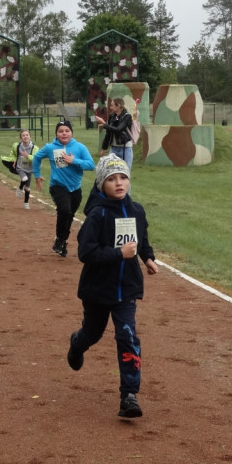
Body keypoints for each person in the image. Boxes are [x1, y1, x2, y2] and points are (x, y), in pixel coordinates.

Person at [67, 155, 159, 418]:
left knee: (127, 335)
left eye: (123, 177)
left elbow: (141, 241)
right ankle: (77, 344)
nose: (119, 183)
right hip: (98, 289)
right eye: (111, 179)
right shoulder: (97, 215)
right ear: (101, 184)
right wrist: (119, 254)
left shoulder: (137, 210)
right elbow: (86, 252)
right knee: (93, 333)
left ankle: (129, 395)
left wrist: (148, 258)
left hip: (126, 289)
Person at [33, 120, 95, 257]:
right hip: (58, 186)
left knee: (70, 215)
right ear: (56, 133)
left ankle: (62, 241)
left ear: (71, 132)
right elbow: (36, 158)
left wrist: (74, 161)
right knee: (64, 210)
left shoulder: (80, 147)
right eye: (60, 131)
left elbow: (91, 165)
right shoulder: (50, 148)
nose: (64, 133)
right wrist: (37, 175)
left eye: (67, 130)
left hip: (75, 188)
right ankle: (60, 240)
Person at [2, 129, 37, 209]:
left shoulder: (34, 148)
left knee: (27, 188)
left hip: (29, 169)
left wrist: (27, 156)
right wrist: (14, 159)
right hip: (20, 167)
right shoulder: (17, 146)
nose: (25, 137)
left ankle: (26, 203)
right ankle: (20, 188)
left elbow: (35, 158)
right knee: (24, 178)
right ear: (21, 138)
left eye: (27, 135)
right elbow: (13, 154)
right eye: (23, 135)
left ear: (30, 137)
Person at [95, 97, 134, 169]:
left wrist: (104, 123)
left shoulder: (127, 116)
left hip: (125, 148)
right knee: (111, 171)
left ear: (118, 106)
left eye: (112, 105)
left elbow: (118, 129)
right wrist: (103, 148)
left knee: (125, 172)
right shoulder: (112, 116)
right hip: (114, 149)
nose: (110, 107)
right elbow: (108, 133)